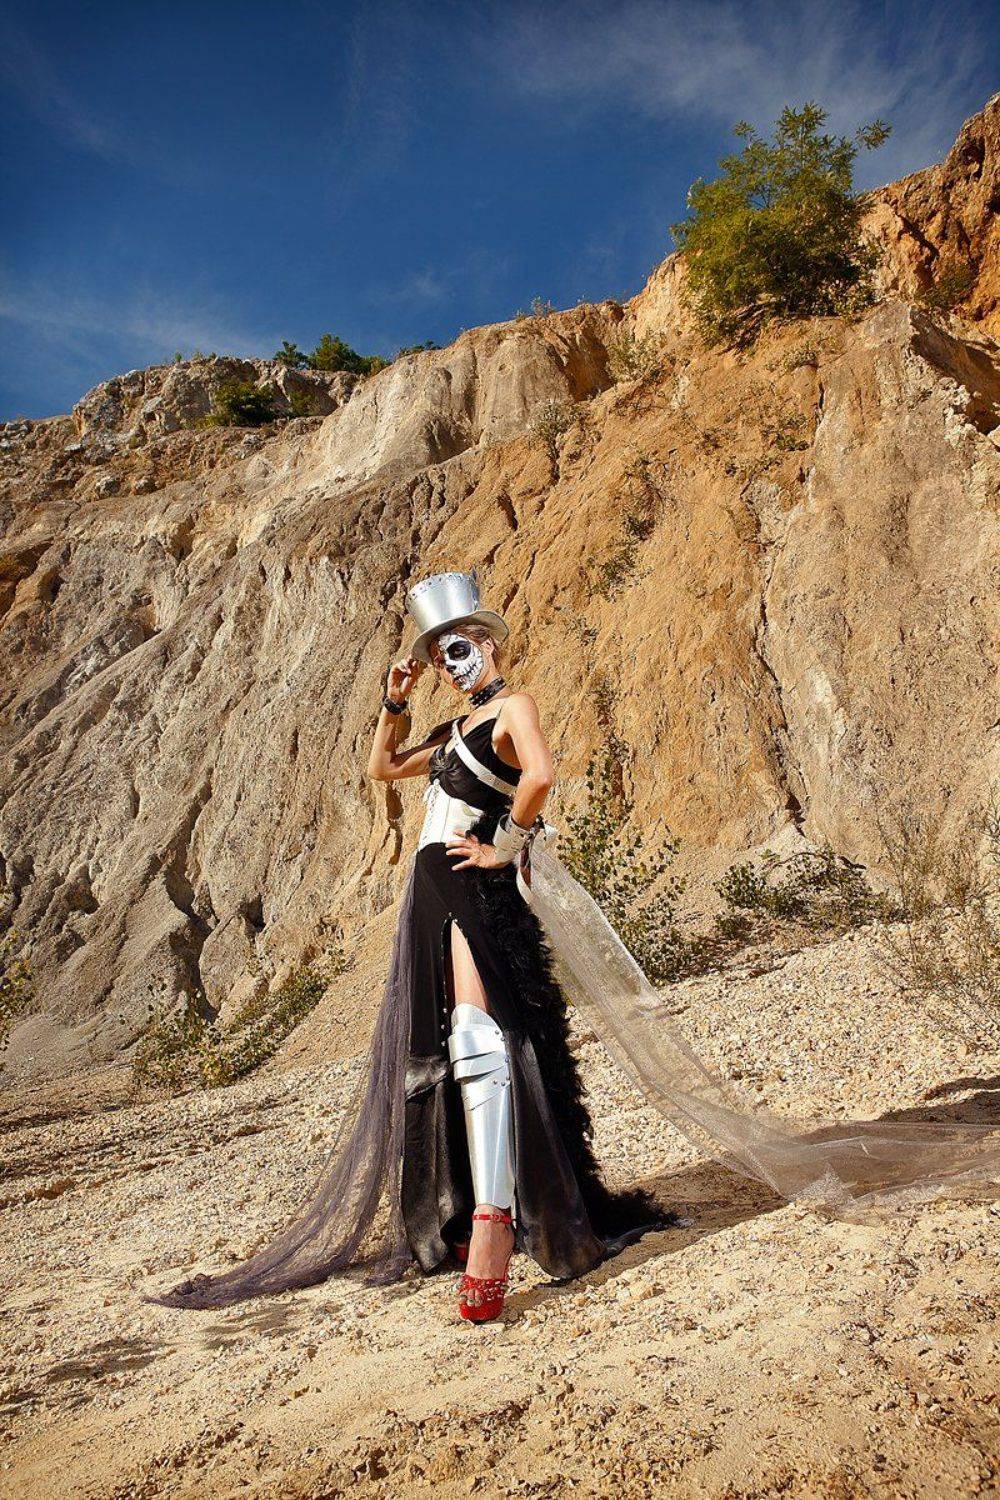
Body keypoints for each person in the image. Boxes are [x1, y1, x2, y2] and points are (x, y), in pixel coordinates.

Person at [147, 569, 1000, 1319]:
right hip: (431, 891)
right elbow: (381, 769)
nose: (452, 663)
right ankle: (484, 1207)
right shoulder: (452, 730)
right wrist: (395, 699)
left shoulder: (512, 707)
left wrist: (505, 846)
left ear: (488, 643)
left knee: (480, 1036)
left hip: (473, 881)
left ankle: (494, 1224)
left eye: (459, 648)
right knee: (452, 1043)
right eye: (440, 655)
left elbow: (543, 774)